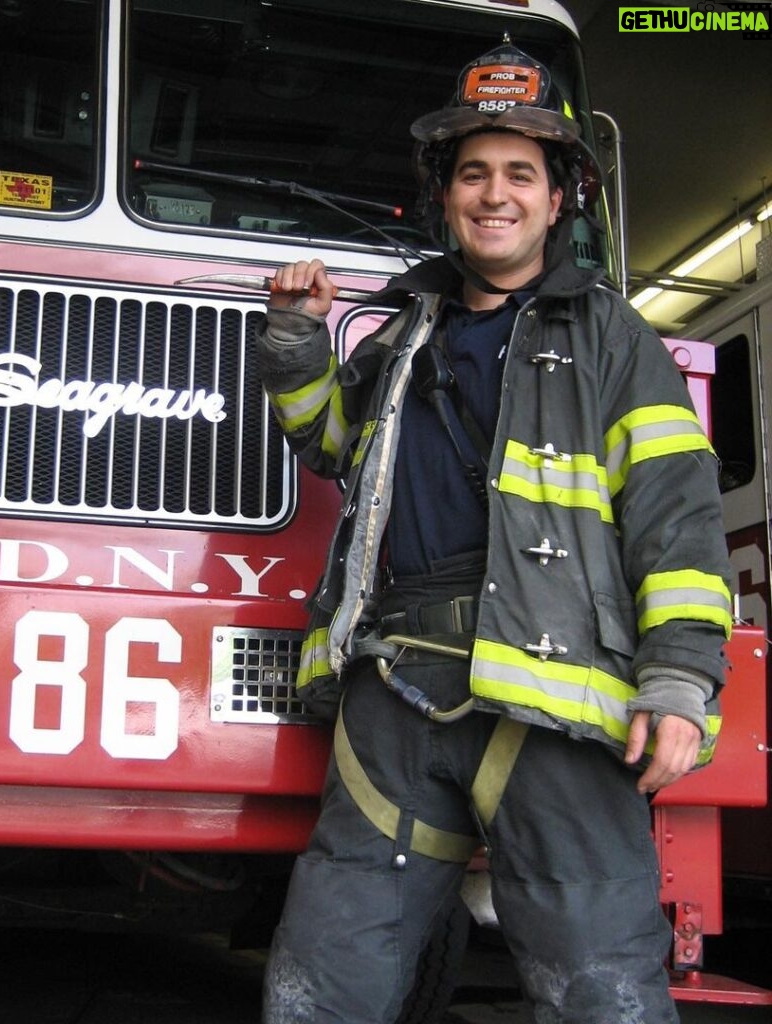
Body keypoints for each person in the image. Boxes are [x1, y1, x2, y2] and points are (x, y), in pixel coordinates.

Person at [256, 37, 733, 1024]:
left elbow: (675, 520)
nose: (494, 193)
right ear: (446, 195)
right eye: (473, 172)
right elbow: (333, 442)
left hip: (550, 706)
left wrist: (679, 680)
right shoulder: (406, 332)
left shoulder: (614, 340)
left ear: (559, 199)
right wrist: (299, 341)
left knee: (599, 986)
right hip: (397, 690)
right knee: (327, 979)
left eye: (521, 172)